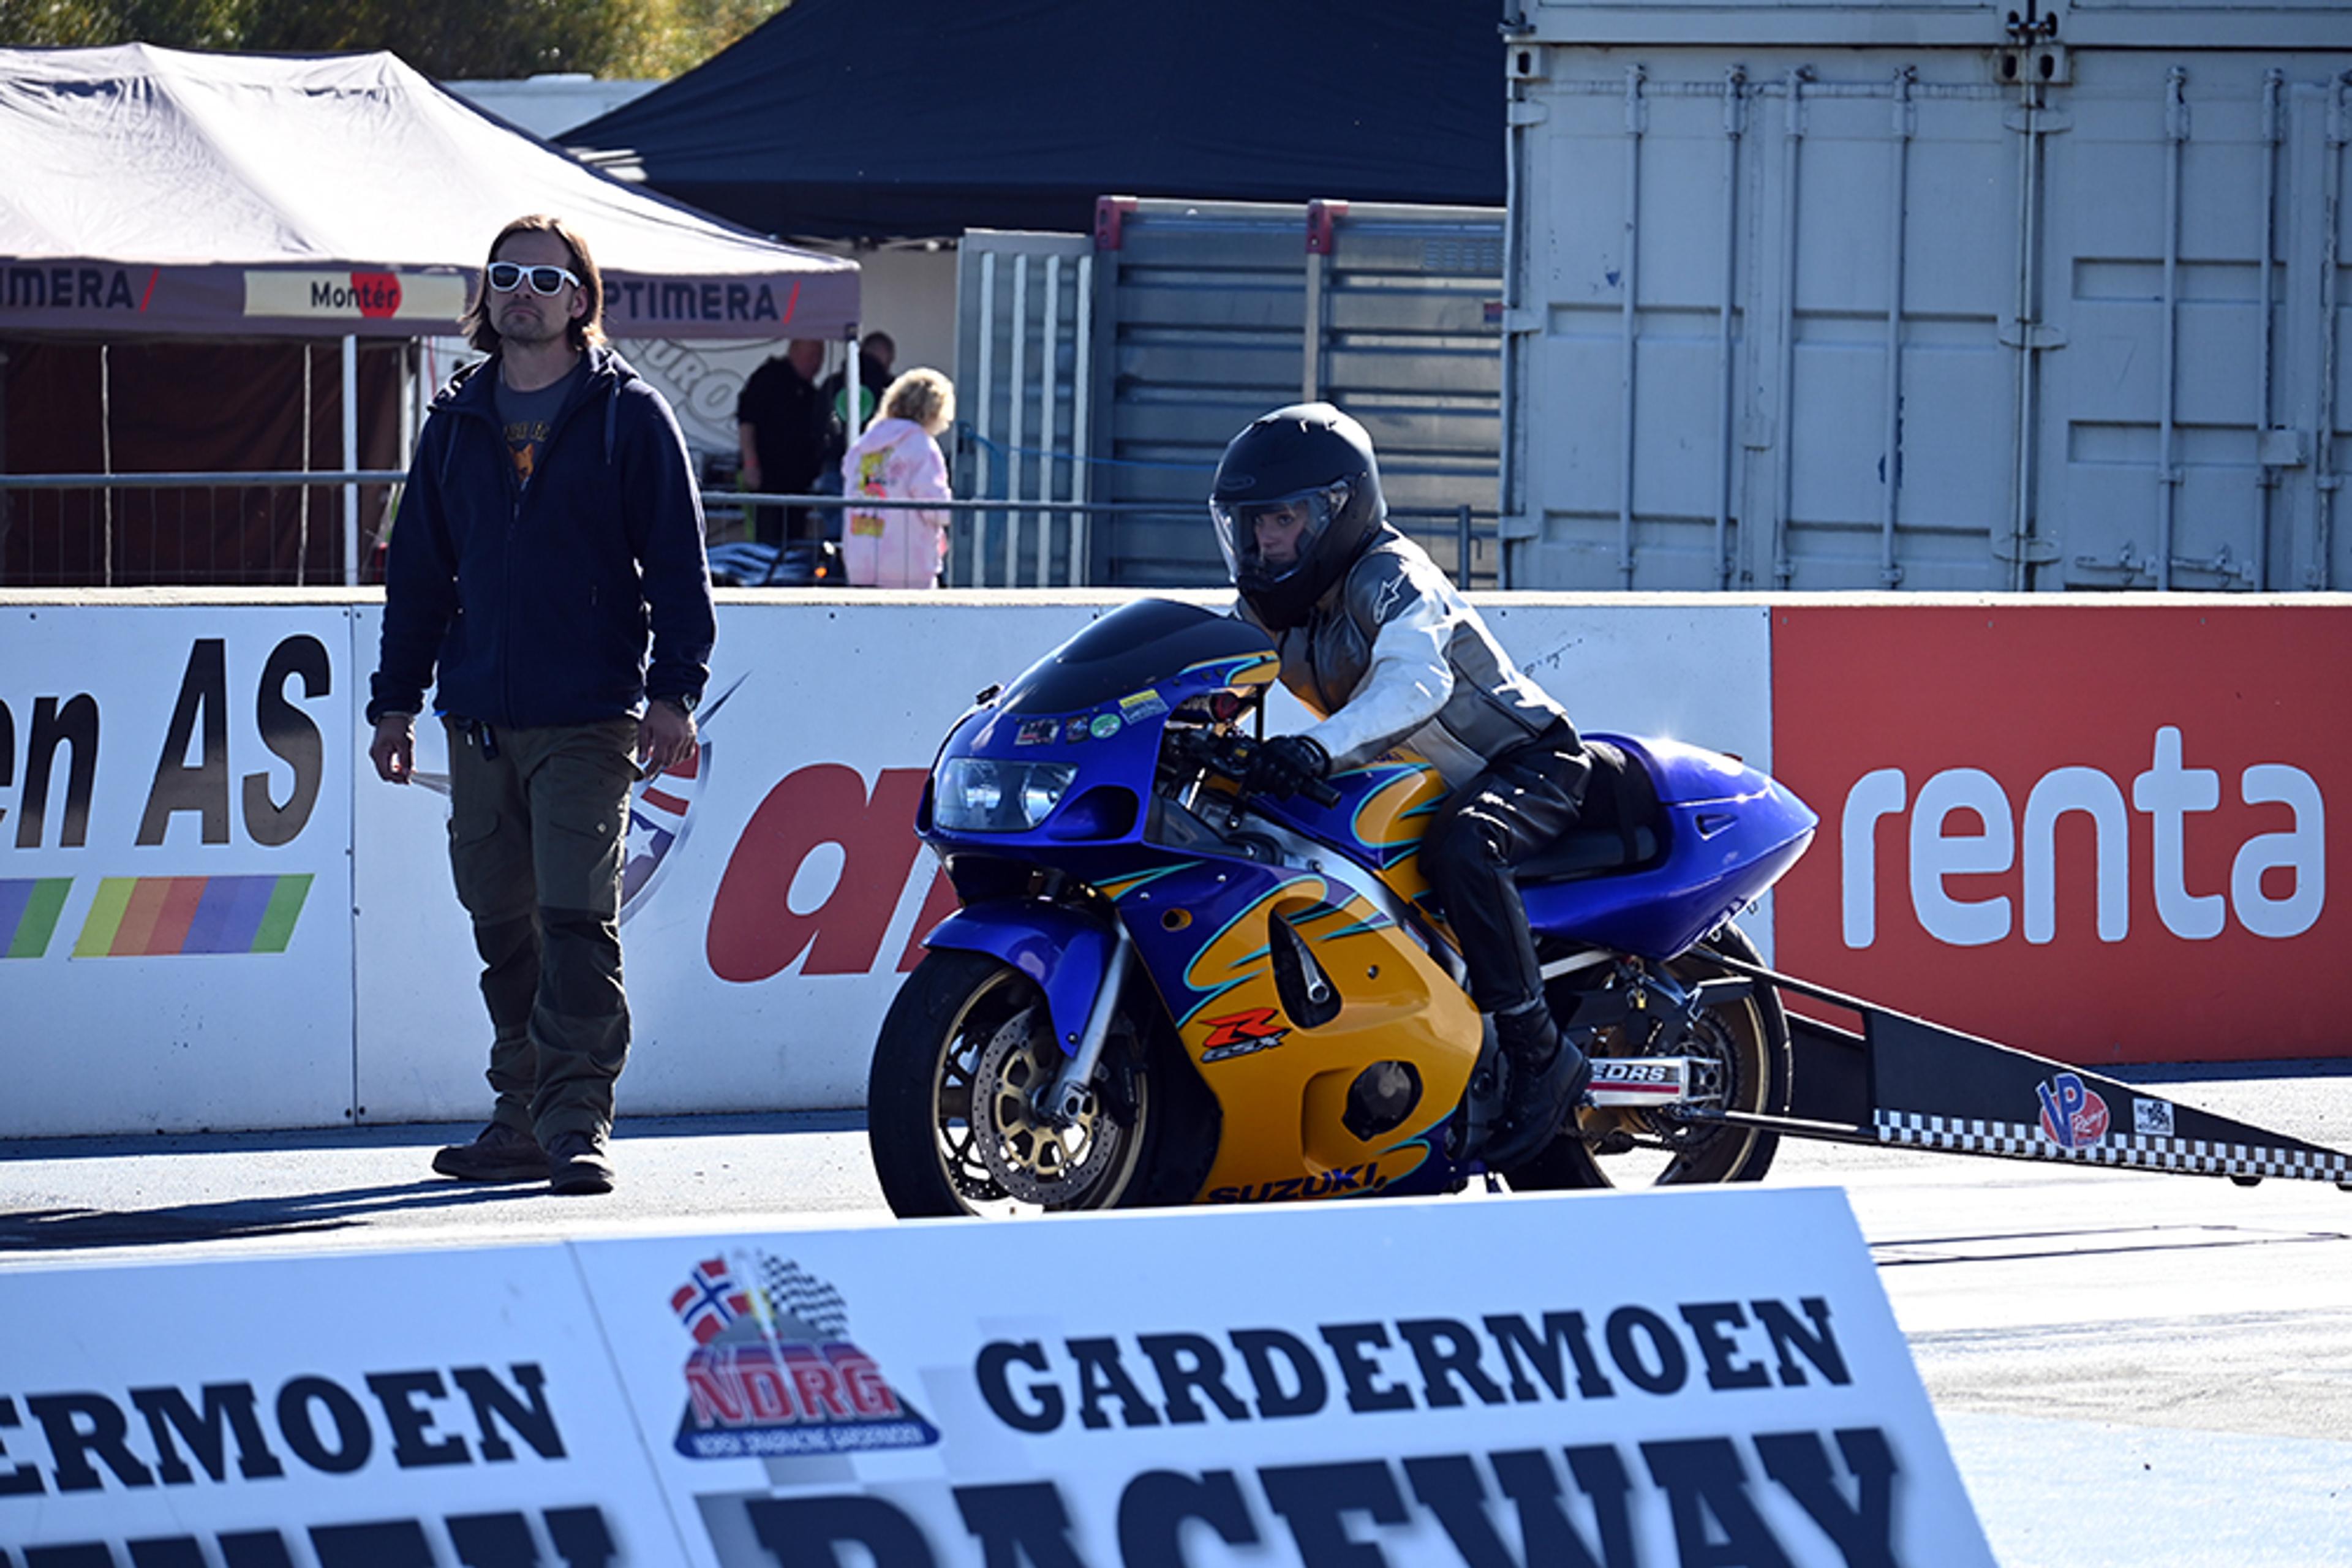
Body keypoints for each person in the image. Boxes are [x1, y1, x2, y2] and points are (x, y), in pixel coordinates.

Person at [366, 215, 715, 1196]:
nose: (524, 292)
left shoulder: (629, 415)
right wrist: (394, 706)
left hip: (588, 716)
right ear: (486, 294)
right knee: (502, 925)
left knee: (574, 918)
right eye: (506, 275)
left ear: (581, 298)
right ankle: (517, 1114)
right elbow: (419, 579)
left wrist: (673, 692)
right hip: (477, 715)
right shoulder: (454, 419)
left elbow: (679, 570)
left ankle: (574, 1122)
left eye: (546, 280)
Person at [1209, 402, 1591, 1170]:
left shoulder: (1392, 577)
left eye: (1281, 520)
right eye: (1251, 524)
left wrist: (1314, 748)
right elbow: (1219, 673)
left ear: (1335, 512)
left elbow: (1415, 684)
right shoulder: (1277, 603)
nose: (1264, 540)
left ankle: (1542, 1055)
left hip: (1524, 764)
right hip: (1412, 779)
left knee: (1465, 847)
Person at [840, 368, 954, 588]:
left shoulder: (864, 445)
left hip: (861, 562)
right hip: (908, 565)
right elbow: (937, 510)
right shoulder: (921, 447)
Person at [736, 338, 830, 546]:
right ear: (794, 352)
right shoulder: (769, 378)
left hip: (799, 483)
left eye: (820, 357)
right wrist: (750, 463)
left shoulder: (811, 392)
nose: (816, 363)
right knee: (768, 539)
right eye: (811, 355)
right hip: (767, 478)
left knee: (794, 541)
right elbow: (747, 422)